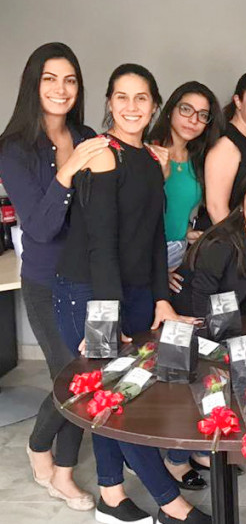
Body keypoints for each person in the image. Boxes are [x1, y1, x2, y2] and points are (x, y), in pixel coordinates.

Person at [53, 63, 209, 524]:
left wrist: (161, 296)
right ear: (108, 103)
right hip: (89, 292)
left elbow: (151, 236)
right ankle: (170, 504)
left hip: (134, 290)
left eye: (141, 98)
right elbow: (102, 244)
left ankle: (112, 495)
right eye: (122, 97)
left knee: (119, 398)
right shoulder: (103, 154)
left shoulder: (150, 159)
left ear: (154, 105)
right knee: (116, 404)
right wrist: (104, 320)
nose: (131, 107)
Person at [0, 42, 107, 513]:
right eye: (49, 78)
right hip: (47, 282)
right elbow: (40, 228)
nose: (60, 89)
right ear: (32, 84)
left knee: (90, 375)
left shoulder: (85, 134)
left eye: (69, 79)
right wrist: (67, 170)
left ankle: (63, 472)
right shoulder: (14, 149)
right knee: (73, 378)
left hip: (88, 279)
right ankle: (40, 446)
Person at [172, 168, 246, 316]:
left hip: (226, 326)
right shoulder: (220, 243)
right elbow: (200, 306)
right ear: (242, 205)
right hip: (189, 325)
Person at [147, 81, 224, 269]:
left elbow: (176, 209)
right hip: (146, 254)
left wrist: (186, 230)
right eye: (186, 109)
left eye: (202, 115)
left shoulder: (197, 160)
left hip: (178, 251)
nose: (193, 120)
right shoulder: (149, 152)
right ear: (170, 110)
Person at [201, 71, 246, 228]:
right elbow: (217, 210)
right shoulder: (226, 146)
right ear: (238, 101)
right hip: (228, 243)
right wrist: (239, 249)